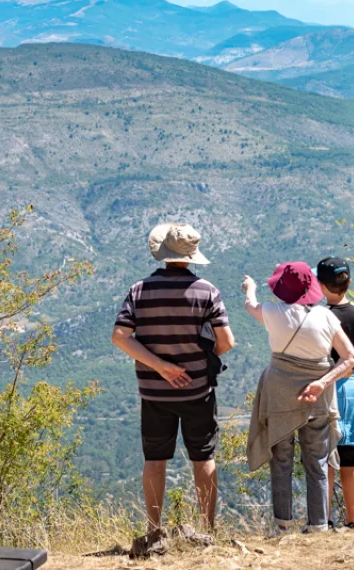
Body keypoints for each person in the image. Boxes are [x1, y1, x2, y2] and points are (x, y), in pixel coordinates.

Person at [112, 223, 235, 553]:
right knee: (203, 459)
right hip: (198, 391)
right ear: (192, 256)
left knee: (154, 461)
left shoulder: (140, 290)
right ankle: (208, 531)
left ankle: (154, 532)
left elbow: (120, 336)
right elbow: (226, 342)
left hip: (154, 393)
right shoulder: (207, 291)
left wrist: (161, 367)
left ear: (163, 253)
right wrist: (197, 358)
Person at [243, 262, 354, 533]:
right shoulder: (327, 318)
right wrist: (321, 383)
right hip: (316, 398)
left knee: (281, 461)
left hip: (279, 397)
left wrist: (251, 288)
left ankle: (283, 526)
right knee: (317, 462)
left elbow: (250, 306)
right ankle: (318, 526)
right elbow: (350, 358)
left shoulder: (271, 312)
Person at [316, 257, 354, 529]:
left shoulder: (319, 317)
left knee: (326, 459)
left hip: (325, 387)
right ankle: (353, 519)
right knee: (349, 458)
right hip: (352, 388)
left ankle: (324, 519)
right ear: (348, 282)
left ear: (320, 285)